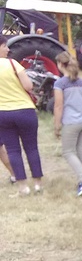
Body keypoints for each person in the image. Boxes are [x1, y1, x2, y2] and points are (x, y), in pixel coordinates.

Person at [0, 34, 43, 196]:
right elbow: (28, 86)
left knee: (13, 151)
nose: (8, 49)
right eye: (5, 46)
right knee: (31, 148)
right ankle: (38, 184)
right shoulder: (13, 64)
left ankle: (22, 187)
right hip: (25, 110)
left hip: (3, 113)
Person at [53, 51, 82, 196]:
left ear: (60, 64)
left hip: (71, 122)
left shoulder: (60, 84)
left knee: (68, 152)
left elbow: (59, 106)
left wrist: (57, 125)